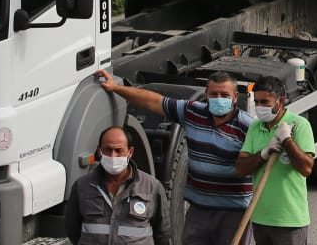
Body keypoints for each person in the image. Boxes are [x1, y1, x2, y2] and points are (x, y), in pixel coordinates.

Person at [95, 70, 255, 245]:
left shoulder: (247, 126)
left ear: (235, 97)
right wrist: (117, 88)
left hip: (233, 213)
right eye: (214, 94)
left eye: (224, 95)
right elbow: (152, 101)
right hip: (199, 211)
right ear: (206, 95)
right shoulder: (193, 112)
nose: (219, 99)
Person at [234, 76, 316, 245]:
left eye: (265, 102)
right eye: (256, 102)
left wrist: (287, 140)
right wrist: (263, 154)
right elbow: (241, 169)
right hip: (260, 218)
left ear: (280, 102)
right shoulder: (255, 127)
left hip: (289, 220)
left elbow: (306, 168)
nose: (260, 107)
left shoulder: (299, 125)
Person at [66, 125, 170, 245]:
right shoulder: (82, 186)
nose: (113, 156)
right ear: (99, 151)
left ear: (130, 152)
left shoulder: (152, 187)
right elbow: (73, 230)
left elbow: (162, 233)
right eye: (107, 150)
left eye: (119, 150)